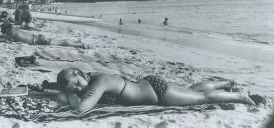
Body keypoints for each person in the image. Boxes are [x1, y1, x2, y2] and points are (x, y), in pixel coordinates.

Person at [56, 68, 255, 113]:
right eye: (74, 88)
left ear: (80, 73)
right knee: (191, 91)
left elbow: (83, 107)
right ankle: (226, 82)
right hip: (150, 85)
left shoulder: (99, 82)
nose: (78, 89)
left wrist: (69, 95)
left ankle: (239, 96)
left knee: (200, 98)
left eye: (76, 83)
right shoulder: (93, 78)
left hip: (159, 94)